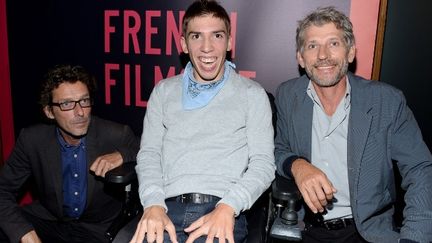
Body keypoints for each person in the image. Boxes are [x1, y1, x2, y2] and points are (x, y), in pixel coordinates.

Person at [274, 6, 432, 243]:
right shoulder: (288, 95)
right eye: (313, 45)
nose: (323, 55)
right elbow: (279, 149)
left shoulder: (386, 102)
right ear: (300, 57)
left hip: (366, 233)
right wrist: (298, 166)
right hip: (304, 228)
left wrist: (413, 239)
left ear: (350, 53)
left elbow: (420, 169)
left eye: (334, 43)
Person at [129, 0, 276, 242]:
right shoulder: (164, 91)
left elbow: (263, 165)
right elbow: (149, 155)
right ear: (183, 44)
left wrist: (229, 206)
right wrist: (152, 204)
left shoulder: (252, 94)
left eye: (217, 35)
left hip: (222, 210)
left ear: (229, 42)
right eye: (196, 36)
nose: (207, 47)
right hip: (165, 208)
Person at [0, 65, 140, 243]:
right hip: (50, 220)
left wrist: (122, 154)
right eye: (67, 104)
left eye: (84, 101)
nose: (80, 112)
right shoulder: (32, 139)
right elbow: (3, 191)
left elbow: (150, 149)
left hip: (97, 228)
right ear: (49, 112)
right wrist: (24, 233)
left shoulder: (116, 134)